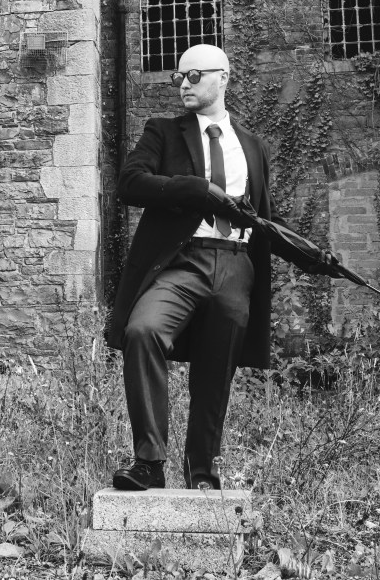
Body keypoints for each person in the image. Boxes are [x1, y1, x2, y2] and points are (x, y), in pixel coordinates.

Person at [106, 43, 334, 490]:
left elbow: (265, 218)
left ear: (223, 78)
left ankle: (202, 473)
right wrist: (196, 189)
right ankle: (149, 462)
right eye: (179, 78)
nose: (184, 84)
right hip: (181, 262)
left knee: (216, 372)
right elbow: (130, 184)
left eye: (194, 76)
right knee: (143, 331)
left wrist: (311, 256)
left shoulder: (253, 146)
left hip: (235, 266)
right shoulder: (163, 133)